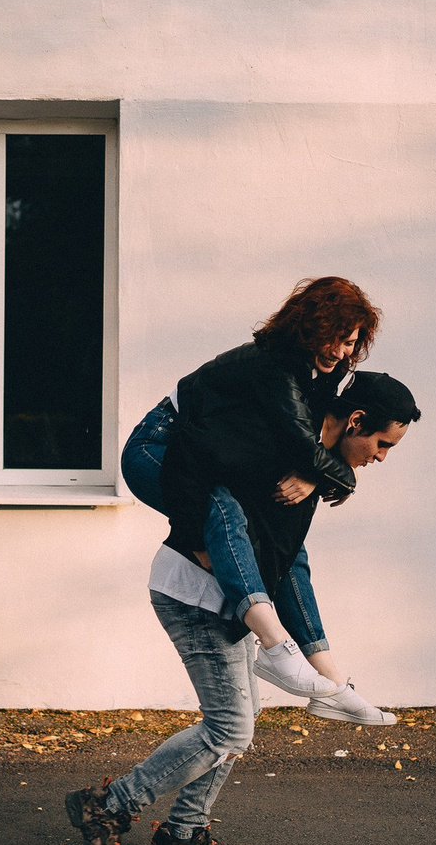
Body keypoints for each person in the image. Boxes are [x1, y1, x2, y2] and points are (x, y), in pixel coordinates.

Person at [67, 373, 421, 845]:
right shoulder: (275, 449)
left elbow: (289, 562)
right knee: (230, 728)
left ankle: (184, 834)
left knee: (240, 718)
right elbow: (212, 503)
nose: (382, 457)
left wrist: (330, 674)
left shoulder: (308, 468)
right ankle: (109, 805)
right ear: (356, 421)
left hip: (229, 602)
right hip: (195, 594)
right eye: (382, 444)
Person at [121, 276, 390, 722]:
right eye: (338, 338)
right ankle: (275, 644)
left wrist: (315, 475)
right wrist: (340, 478)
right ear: (313, 326)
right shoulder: (276, 367)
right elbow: (302, 443)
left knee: (288, 546)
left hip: (202, 453)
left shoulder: (318, 372)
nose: (342, 352)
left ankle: (331, 684)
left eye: (351, 343)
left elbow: (305, 443)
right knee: (221, 508)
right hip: (158, 445)